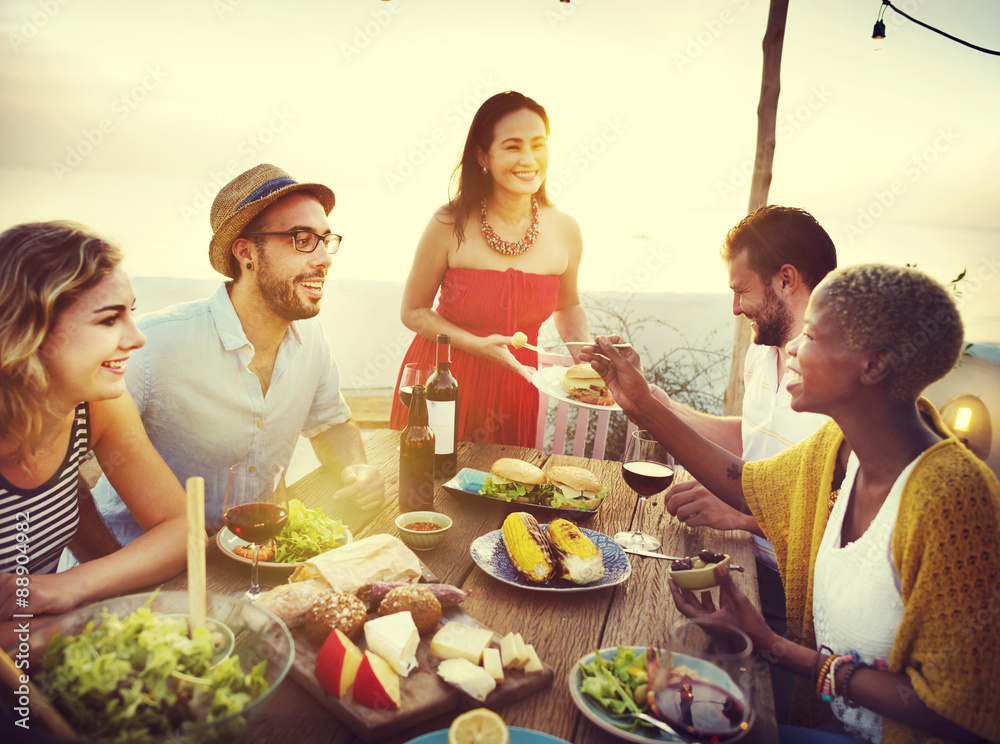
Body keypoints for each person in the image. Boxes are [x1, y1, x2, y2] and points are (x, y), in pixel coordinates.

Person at [583, 264, 1000, 743]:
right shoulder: (836, 447)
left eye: (813, 336)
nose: (795, 349)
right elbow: (744, 483)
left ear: (874, 366)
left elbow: (952, 711)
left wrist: (773, 646)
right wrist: (640, 404)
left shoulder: (953, 500)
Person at [91, 164, 384, 546]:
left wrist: (356, 468)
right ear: (246, 253)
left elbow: (330, 424)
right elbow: (67, 458)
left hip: (253, 549)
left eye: (326, 240)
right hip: (141, 562)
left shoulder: (311, 339)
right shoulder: (153, 343)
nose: (325, 258)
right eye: (301, 238)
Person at [0, 221, 187, 647]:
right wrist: (71, 623)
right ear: (29, 331)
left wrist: (69, 586)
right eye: (109, 320)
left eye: (131, 313)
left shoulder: (96, 404)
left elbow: (182, 529)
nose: (136, 338)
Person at [390, 91, 591, 446]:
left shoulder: (566, 229)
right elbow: (414, 311)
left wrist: (588, 363)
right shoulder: (448, 222)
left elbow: (568, 305)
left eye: (538, 145)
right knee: (426, 492)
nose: (529, 159)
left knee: (507, 492)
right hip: (442, 381)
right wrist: (478, 345)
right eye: (513, 146)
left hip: (518, 387)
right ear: (483, 155)